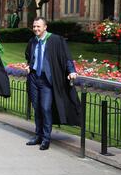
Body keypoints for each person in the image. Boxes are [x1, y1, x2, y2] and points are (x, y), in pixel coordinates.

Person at [25, 17, 81, 150]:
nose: (36, 29)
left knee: (45, 108)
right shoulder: (33, 41)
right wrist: (29, 65)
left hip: (47, 81)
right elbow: (29, 55)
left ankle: (46, 139)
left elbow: (66, 57)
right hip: (33, 78)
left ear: (45, 27)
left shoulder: (55, 40)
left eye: (38, 26)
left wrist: (71, 71)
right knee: (37, 108)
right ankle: (38, 135)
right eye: (34, 26)